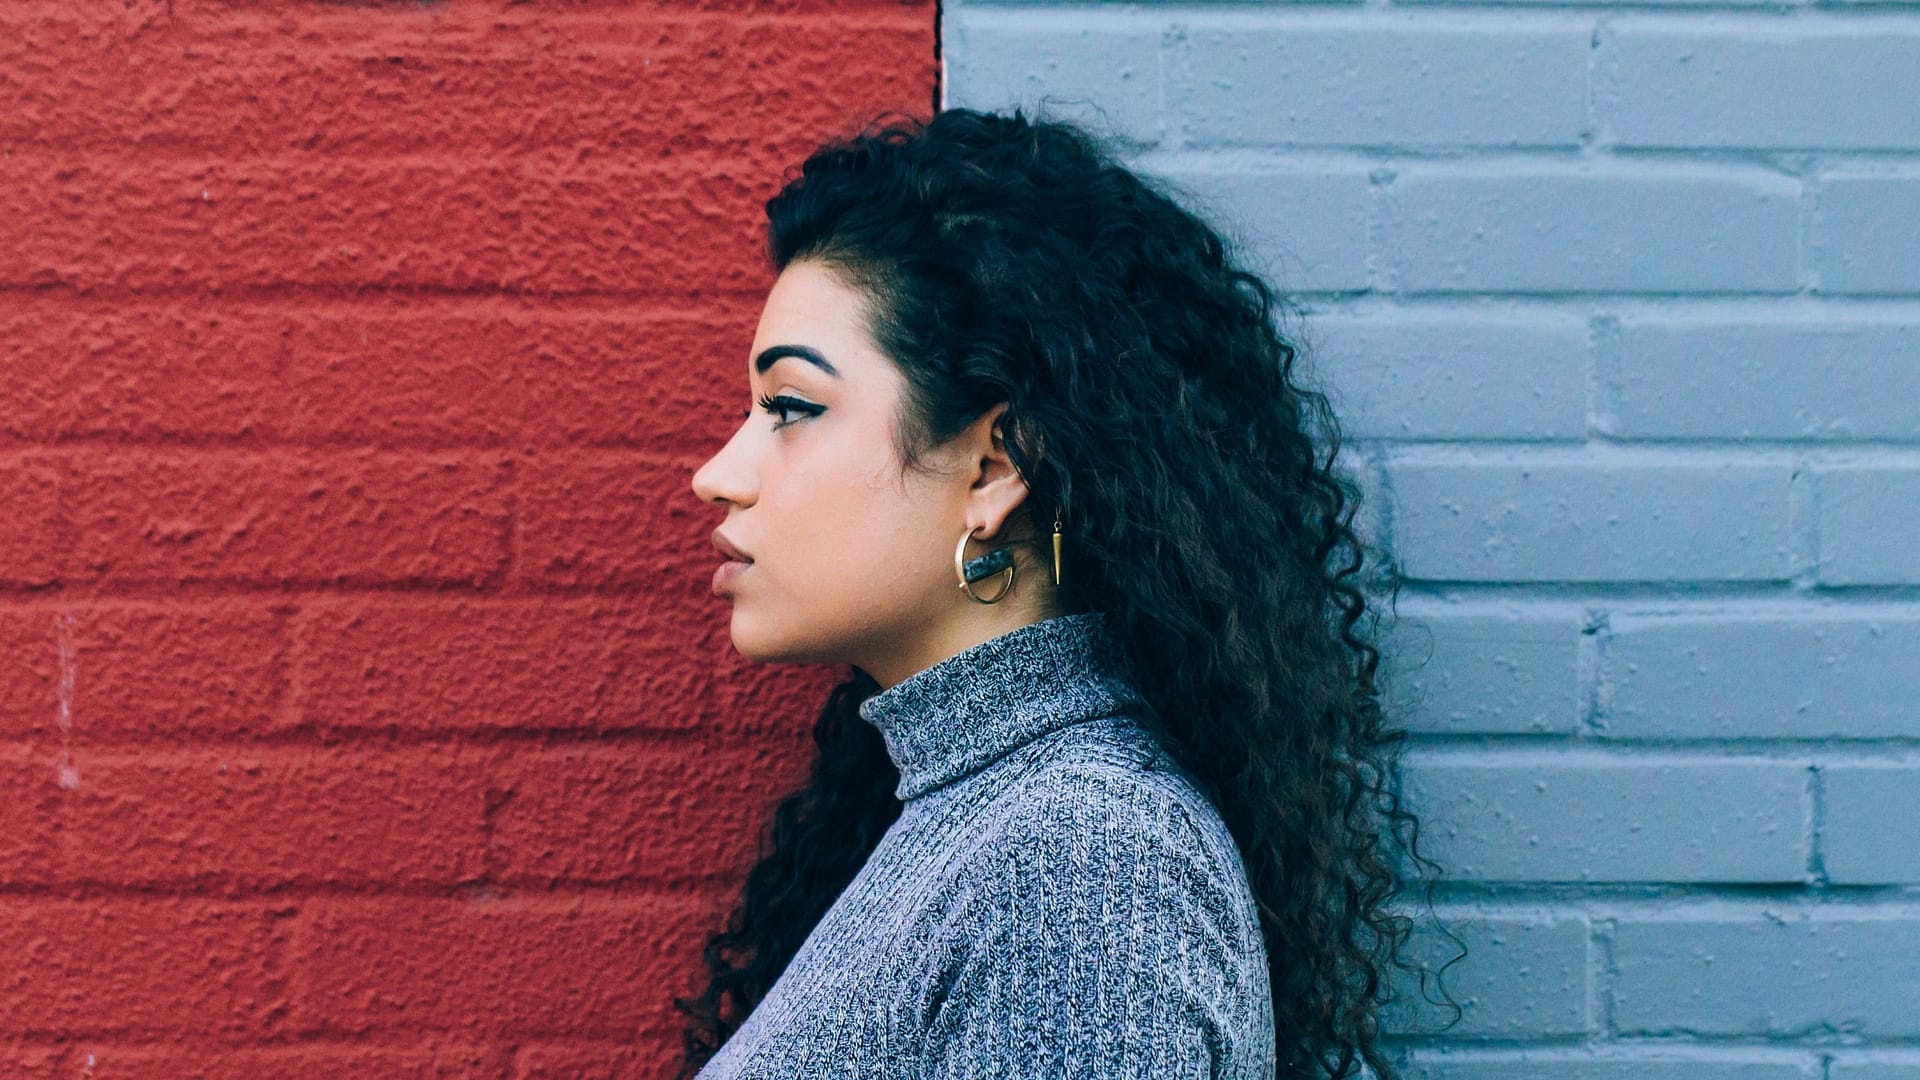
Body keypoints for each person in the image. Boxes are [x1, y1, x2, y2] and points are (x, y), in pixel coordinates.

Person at [682, 106, 1462, 1080]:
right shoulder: (990, 822)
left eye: (790, 408)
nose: (721, 472)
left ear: (995, 466)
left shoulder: (1078, 864)